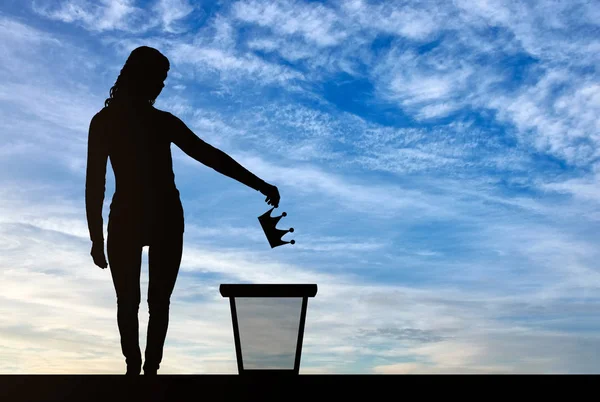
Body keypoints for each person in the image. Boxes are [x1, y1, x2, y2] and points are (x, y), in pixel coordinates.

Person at [85, 46, 280, 375]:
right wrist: (96, 236)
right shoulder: (107, 123)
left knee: (155, 301)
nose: (161, 87)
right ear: (139, 77)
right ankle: (136, 368)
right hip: (132, 217)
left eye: (164, 81)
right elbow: (95, 184)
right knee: (130, 301)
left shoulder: (154, 122)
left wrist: (259, 184)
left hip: (162, 218)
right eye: (158, 79)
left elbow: (211, 156)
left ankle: (149, 370)